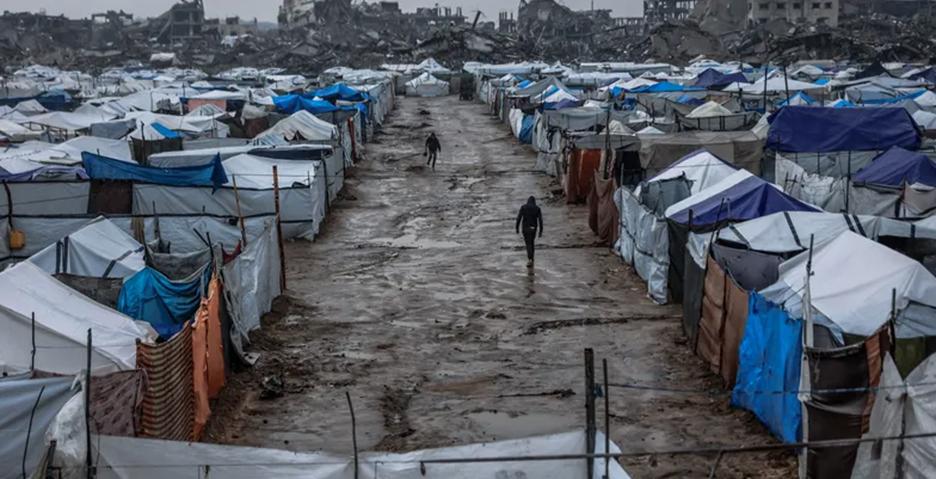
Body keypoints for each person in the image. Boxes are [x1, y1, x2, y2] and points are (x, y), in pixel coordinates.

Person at [515, 196, 543, 267]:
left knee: (528, 244)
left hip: (525, 228)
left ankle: (530, 258)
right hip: (533, 228)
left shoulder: (523, 207)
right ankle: (532, 258)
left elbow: (519, 218)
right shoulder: (537, 208)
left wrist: (517, 228)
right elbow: (540, 220)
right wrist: (540, 231)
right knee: (532, 242)